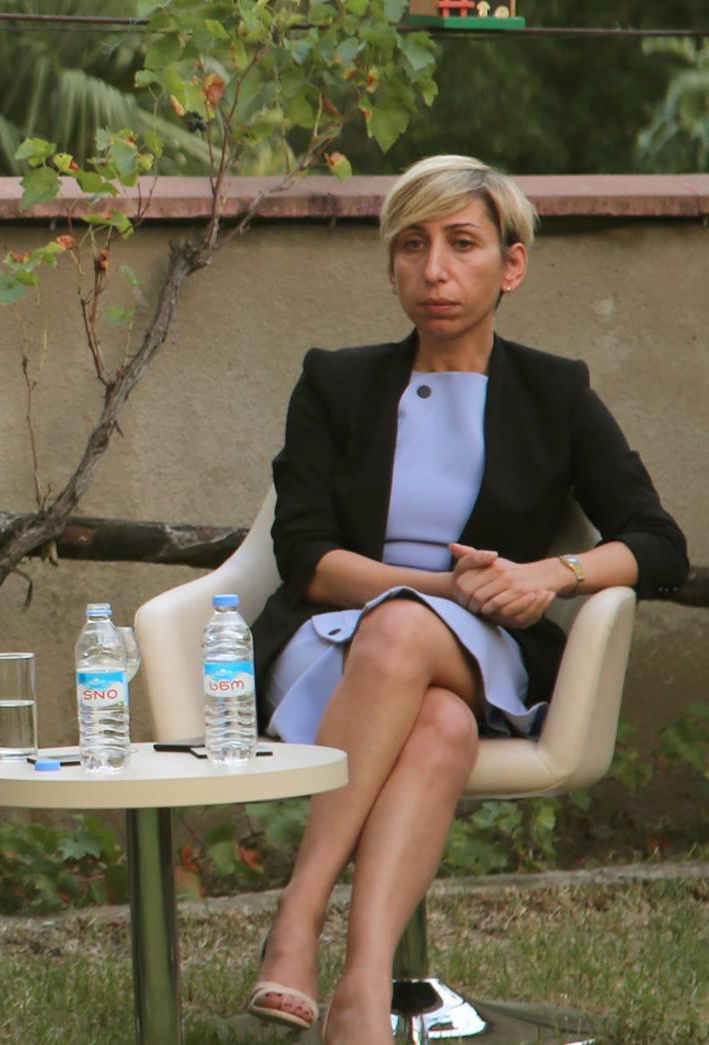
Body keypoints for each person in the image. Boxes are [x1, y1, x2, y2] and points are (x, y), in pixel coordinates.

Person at [243, 155, 687, 1041]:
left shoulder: (555, 392)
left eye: (461, 244)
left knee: (411, 641)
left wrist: (547, 575)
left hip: (481, 646)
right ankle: (355, 979)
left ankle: (309, 930)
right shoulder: (334, 381)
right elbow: (305, 556)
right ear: (392, 266)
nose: (434, 270)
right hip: (331, 644)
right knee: (434, 707)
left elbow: (657, 543)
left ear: (511, 264)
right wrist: (443, 587)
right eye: (412, 245)